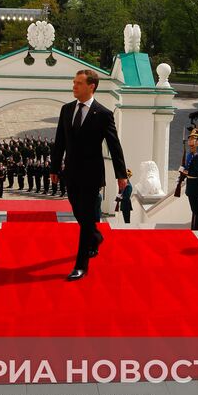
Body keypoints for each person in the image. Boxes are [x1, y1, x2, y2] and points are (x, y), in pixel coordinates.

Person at [50, 69, 128, 281]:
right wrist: (54, 168)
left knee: (85, 215)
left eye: (78, 83)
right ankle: (96, 235)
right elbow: (60, 142)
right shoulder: (66, 110)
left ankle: (81, 264)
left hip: (92, 175)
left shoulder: (103, 114)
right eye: (74, 82)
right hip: (71, 173)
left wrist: (121, 175)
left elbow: (114, 145)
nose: (74, 86)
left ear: (91, 86)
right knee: (79, 213)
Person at [184, 129, 198, 230]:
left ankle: (197, 230)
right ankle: (194, 228)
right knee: (193, 210)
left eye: (193, 139)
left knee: (197, 210)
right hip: (191, 185)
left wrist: (186, 172)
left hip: (196, 186)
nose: (191, 141)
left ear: (197, 141)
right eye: (190, 138)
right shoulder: (191, 154)